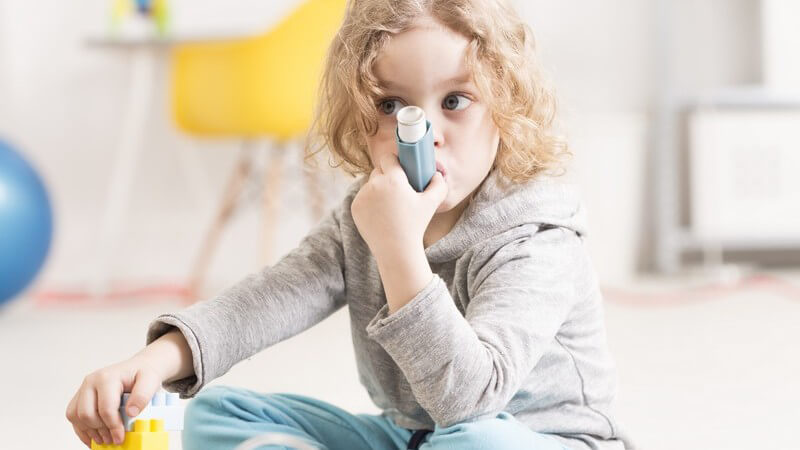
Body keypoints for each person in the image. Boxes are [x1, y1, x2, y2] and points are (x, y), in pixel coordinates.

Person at [66, 0, 632, 448]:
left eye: (456, 101)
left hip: (532, 439)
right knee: (217, 415)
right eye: (392, 107)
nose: (422, 133)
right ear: (361, 119)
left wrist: (398, 248)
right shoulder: (363, 217)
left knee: (475, 442)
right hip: (414, 438)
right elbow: (269, 298)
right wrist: (152, 361)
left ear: (505, 109)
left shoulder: (535, 238)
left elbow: (470, 401)